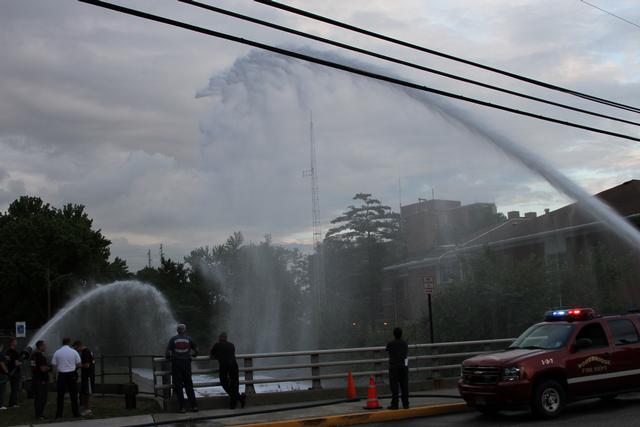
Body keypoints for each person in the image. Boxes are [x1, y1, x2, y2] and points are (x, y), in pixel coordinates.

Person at [166, 324, 198, 413]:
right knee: (189, 385)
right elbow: (196, 350)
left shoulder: (173, 339)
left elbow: (168, 352)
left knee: (178, 387)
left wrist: (168, 357)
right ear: (185, 330)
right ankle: (194, 406)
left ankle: (182, 408)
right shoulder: (189, 339)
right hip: (187, 364)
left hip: (176, 364)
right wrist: (194, 355)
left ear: (177, 331)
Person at [210, 332, 245, 409]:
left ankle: (238, 399)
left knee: (224, 382)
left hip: (224, 366)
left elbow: (211, 356)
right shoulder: (231, 345)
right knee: (235, 384)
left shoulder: (217, 345)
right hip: (234, 365)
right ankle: (235, 402)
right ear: (226, 338)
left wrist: (217, 356)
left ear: (220, 338)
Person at [51, 337, 81, 418]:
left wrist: (54, 377)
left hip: (62, 375)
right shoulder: (74, 352)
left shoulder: (57, 352)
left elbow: (54, 366)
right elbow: (78, 364)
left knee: (60, 395)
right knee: (73, 395)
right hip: (71, 374)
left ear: (62, 342)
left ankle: (59, 414)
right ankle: (76, 413)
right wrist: (73, 368)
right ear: (69, 342)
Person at [386, 327, 409, 410]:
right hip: (404, 367)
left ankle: (395, 404)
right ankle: (406, 404)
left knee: (394, 387)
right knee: (404, 386)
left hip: (394, 367)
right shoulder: (405, 343)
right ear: (401, 334)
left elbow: (387, 349)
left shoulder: (391, 343)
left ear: (394, 334)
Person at [73, 341, 95, 416]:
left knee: (87, 393)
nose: (75, 350)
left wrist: (76, 366)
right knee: (85, 392)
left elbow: (86, 365)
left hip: (88, 375)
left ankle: (88, 410)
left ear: (79, 346)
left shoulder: (85, 352)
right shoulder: (86, 352)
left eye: (76, 348)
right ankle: (85, 408)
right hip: (86, 375)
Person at [30, 340, 51, 420]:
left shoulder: (33, 355)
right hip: (41, 379)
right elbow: (42, 369)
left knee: (38, 398)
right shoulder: (40, 356)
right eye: (44, 345)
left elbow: (33, 367)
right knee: (42, 398)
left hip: (35, 378)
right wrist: (50, 368)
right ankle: (40, 415)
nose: (46, 347)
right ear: (40, 346)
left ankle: (38, 414)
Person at [6, 338, 22, 408]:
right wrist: (21, 362)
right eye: (15, 342)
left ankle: (11, 403)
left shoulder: (7, 351)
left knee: (12, 387)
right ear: (12, 343)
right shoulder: (15, 353)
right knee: (15, 388)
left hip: (10, 372)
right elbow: (16, 363)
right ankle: (13, 403)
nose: (16, 343)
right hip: (15, 372)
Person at [0, 343, 8, 411]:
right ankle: (1, 405)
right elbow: (2, 363)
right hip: (1, 374)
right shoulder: (1, 354)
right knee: (2, 390)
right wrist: (6, 371)